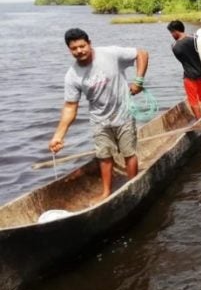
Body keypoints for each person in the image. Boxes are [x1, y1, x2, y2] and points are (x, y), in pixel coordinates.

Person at [49, 28, 149, 201]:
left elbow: (142, 54)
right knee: (104, 157)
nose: (79, 51)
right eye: (74, 48)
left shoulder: (111, 54)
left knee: (129, 153)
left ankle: (133, 186)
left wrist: (139, 81)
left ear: (89, 43)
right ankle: (106, 193)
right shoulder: (72, 76)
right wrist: (59, 136)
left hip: (123, 114)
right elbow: (70, 107)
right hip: (99, 120)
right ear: (69, 50)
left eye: (82, 46)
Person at [167, 20, 201, 119]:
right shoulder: (196, 38)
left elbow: (181, 60)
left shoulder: (174, 47)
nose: (171, 35)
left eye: (171, 33)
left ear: (175, 31)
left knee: (193, 100)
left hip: (189, 77)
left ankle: (199, 120)